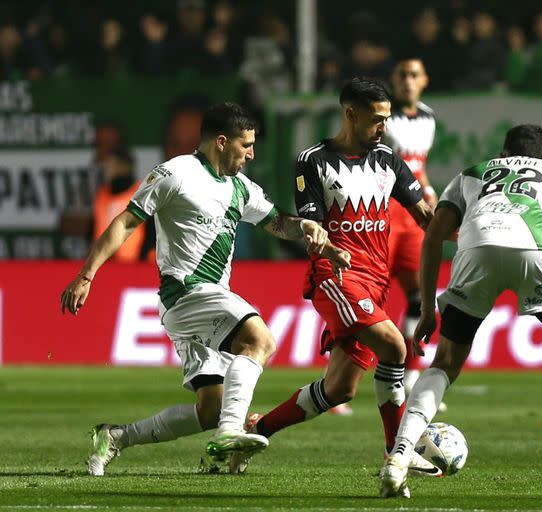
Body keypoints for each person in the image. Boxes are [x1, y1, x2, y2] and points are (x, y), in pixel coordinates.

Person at [60, 102, 351, 476]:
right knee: (259, 340)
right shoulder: (175, 174)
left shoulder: (240, 187)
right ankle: (231, 432)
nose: (251, 154)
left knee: (210, 409)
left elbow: (279, 224)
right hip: (185, 293)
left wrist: (313, 233)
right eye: (246, 145)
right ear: (221, 141)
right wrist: (87, 275)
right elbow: (126, 222)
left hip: (206, 301)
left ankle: (116, 437)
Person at [379, 125, 542, 498]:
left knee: (444, 363)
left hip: (477, 250)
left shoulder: (473, 173)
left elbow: (434, 234)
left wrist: (427, 307)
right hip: (538, 251)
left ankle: (399, 456)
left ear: (503, 153)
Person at [235, 78, 436, 481]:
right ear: (350, 114)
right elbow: (310, 222)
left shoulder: (388, 159)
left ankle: (256, 430)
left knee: (340, 388)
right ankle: (397, 450)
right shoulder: (312, 160)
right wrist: (318, 237)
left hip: (375, 283)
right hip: (337, 276)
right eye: (377, 119)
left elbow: (426, 218)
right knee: (396, 346)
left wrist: (468, 233)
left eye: (387, 119)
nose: (384, 127)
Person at [383, 56, 443, 408]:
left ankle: (409, 377)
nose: (408, 80)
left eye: (414, 75)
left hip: (415, 212)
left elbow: (419, 167)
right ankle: (339, 375)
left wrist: (430, 194)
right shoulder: (381, 116)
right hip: (385, 211)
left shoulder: (428, 117)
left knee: (419, 296)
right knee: (369, 294)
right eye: (402, 74)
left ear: (425, 80)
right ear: (394, 79)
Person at [91, 145, 154, 262]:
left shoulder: (141, 193)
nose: (107, 169)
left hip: (134, 266)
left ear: (124, 167)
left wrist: (142, 259)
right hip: (104, 265)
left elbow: (152, 232)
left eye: (111, 164)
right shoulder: (102, 195)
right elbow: (94, 228)